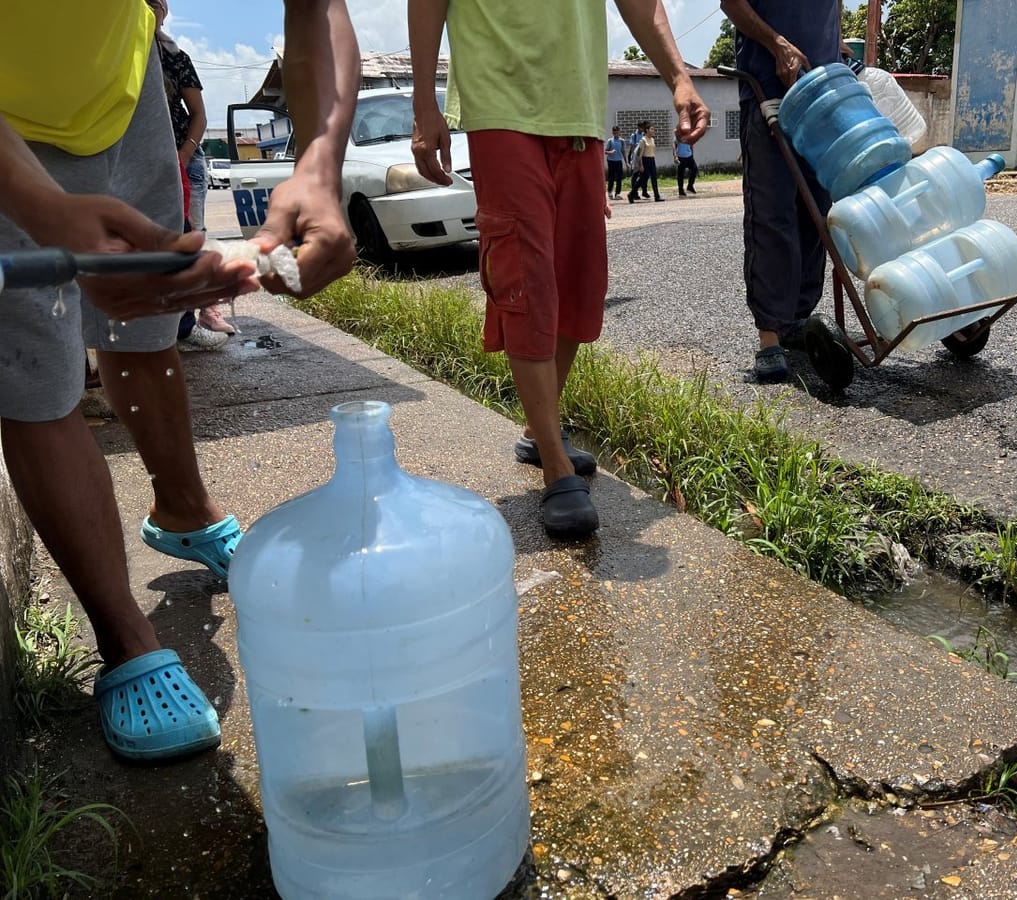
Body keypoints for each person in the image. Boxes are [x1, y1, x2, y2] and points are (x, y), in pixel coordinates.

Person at [0, 0, 359, 762]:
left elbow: (316, 9)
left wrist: (319, 165)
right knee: (35, 378)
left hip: (122, 99)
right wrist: (43, 207)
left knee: (149, 312)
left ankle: (185, 512)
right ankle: (123, 635)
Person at [410, 0, 708, 538]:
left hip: (579, 110)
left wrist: (679, 78)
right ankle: (554, 462)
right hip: (500, 102)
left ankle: (536, 428)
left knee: (577, 285)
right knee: (526, 284)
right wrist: (423, 103)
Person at [720, 0, 842, 383]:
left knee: (817, 213)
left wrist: (836, 49)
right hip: (769, 92)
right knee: (773, 215)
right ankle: (770, 335)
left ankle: (799, 319)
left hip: (823, 96)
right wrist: (776, 44)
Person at [144, 0, 235, 349]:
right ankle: (164, 324)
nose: (151, 8)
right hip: (139, 161)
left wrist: (182, 156)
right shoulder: (118, 54)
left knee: (191, 236)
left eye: (158, 3)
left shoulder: (175, 57)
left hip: (183, 161)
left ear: (165, 12)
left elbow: (198, 114)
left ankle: (204, 311)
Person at [629, 122, 663, 202]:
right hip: (645, 160)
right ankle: (631, 194)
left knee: (654, 178)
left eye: (653, 129)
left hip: (652, 160)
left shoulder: (652, 139)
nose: (653, 130)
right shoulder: (643, 140)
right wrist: (641, 165)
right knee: (642, 179)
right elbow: (640, 154)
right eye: (651, 129)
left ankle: (657, 196)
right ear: (647, 130)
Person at [604, 125, 627, 201]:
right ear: (612, 133)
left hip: (618, 161)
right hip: (611, 161)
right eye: (614, 133)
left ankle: (617, 194)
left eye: (617, 132)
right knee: (611, 177)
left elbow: (623, 151)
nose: (616, 134)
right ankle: (610, 192)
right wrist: (611, 152)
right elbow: (605, 151)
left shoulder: (622, 141)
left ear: (619, 132)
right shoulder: (610, 141)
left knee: (619, 178)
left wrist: (626, 162)